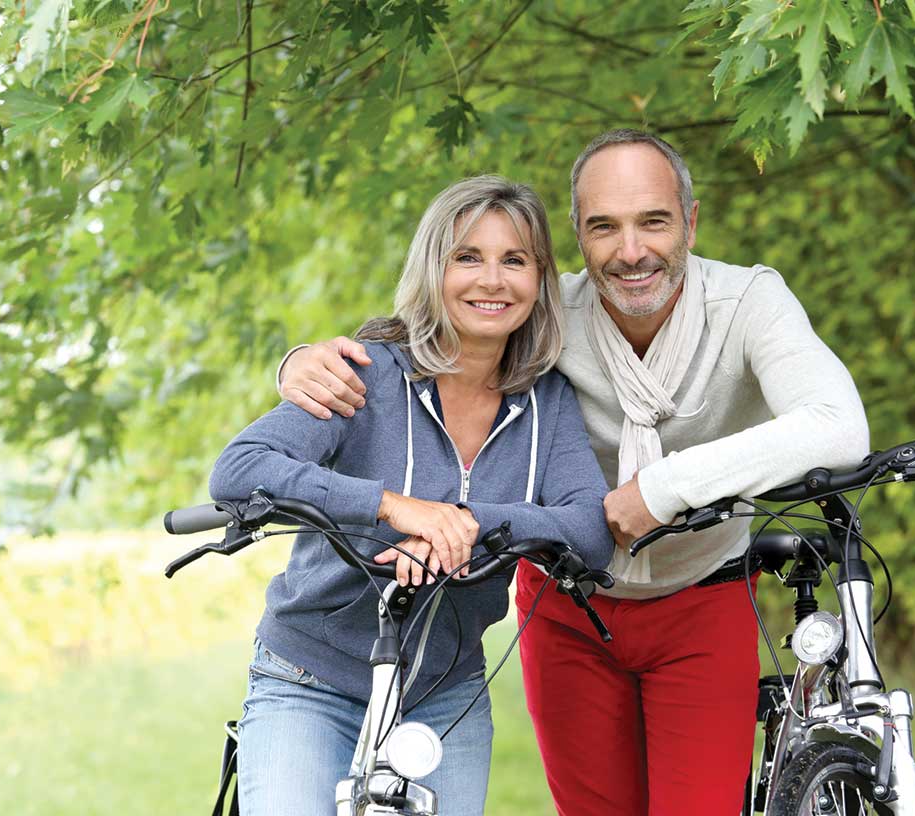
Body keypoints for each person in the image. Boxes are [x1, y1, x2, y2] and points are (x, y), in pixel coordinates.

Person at [277, 130, 871, 814]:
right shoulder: (545, 312)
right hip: (568, 609)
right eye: (603, 228)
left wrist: (663, 489)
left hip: (703, 599)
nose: (631, 251)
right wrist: (299, 365)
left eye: (653, 221)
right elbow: (419, 348)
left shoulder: (747, 304)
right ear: (576, 237)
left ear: (691, 219)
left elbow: (838, 425)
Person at [210, 175, 614, 815]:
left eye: (515, 260)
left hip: (445, 695)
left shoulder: (548, 401)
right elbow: (240, 468)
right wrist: (394, 507)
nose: (492, 280)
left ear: (540, 281)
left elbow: (590, 531)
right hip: (311, 679)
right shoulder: (368, 373)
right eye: (467, 257)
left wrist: (465, 524)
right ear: (434, 268)